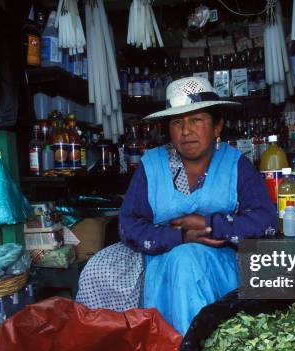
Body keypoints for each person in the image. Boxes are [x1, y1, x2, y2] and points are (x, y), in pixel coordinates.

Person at [77, 77, 277, 334]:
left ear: (217, 126)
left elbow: (266, 220)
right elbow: (128, 225)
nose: (186, 130)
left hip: (218, 263)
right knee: (99, 269)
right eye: (177, 122)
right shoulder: (152, 165)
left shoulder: (235, 164)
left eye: (197, 120)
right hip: (159, 260)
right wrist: (180, 236)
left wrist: (209, 225)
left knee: (187, 262)